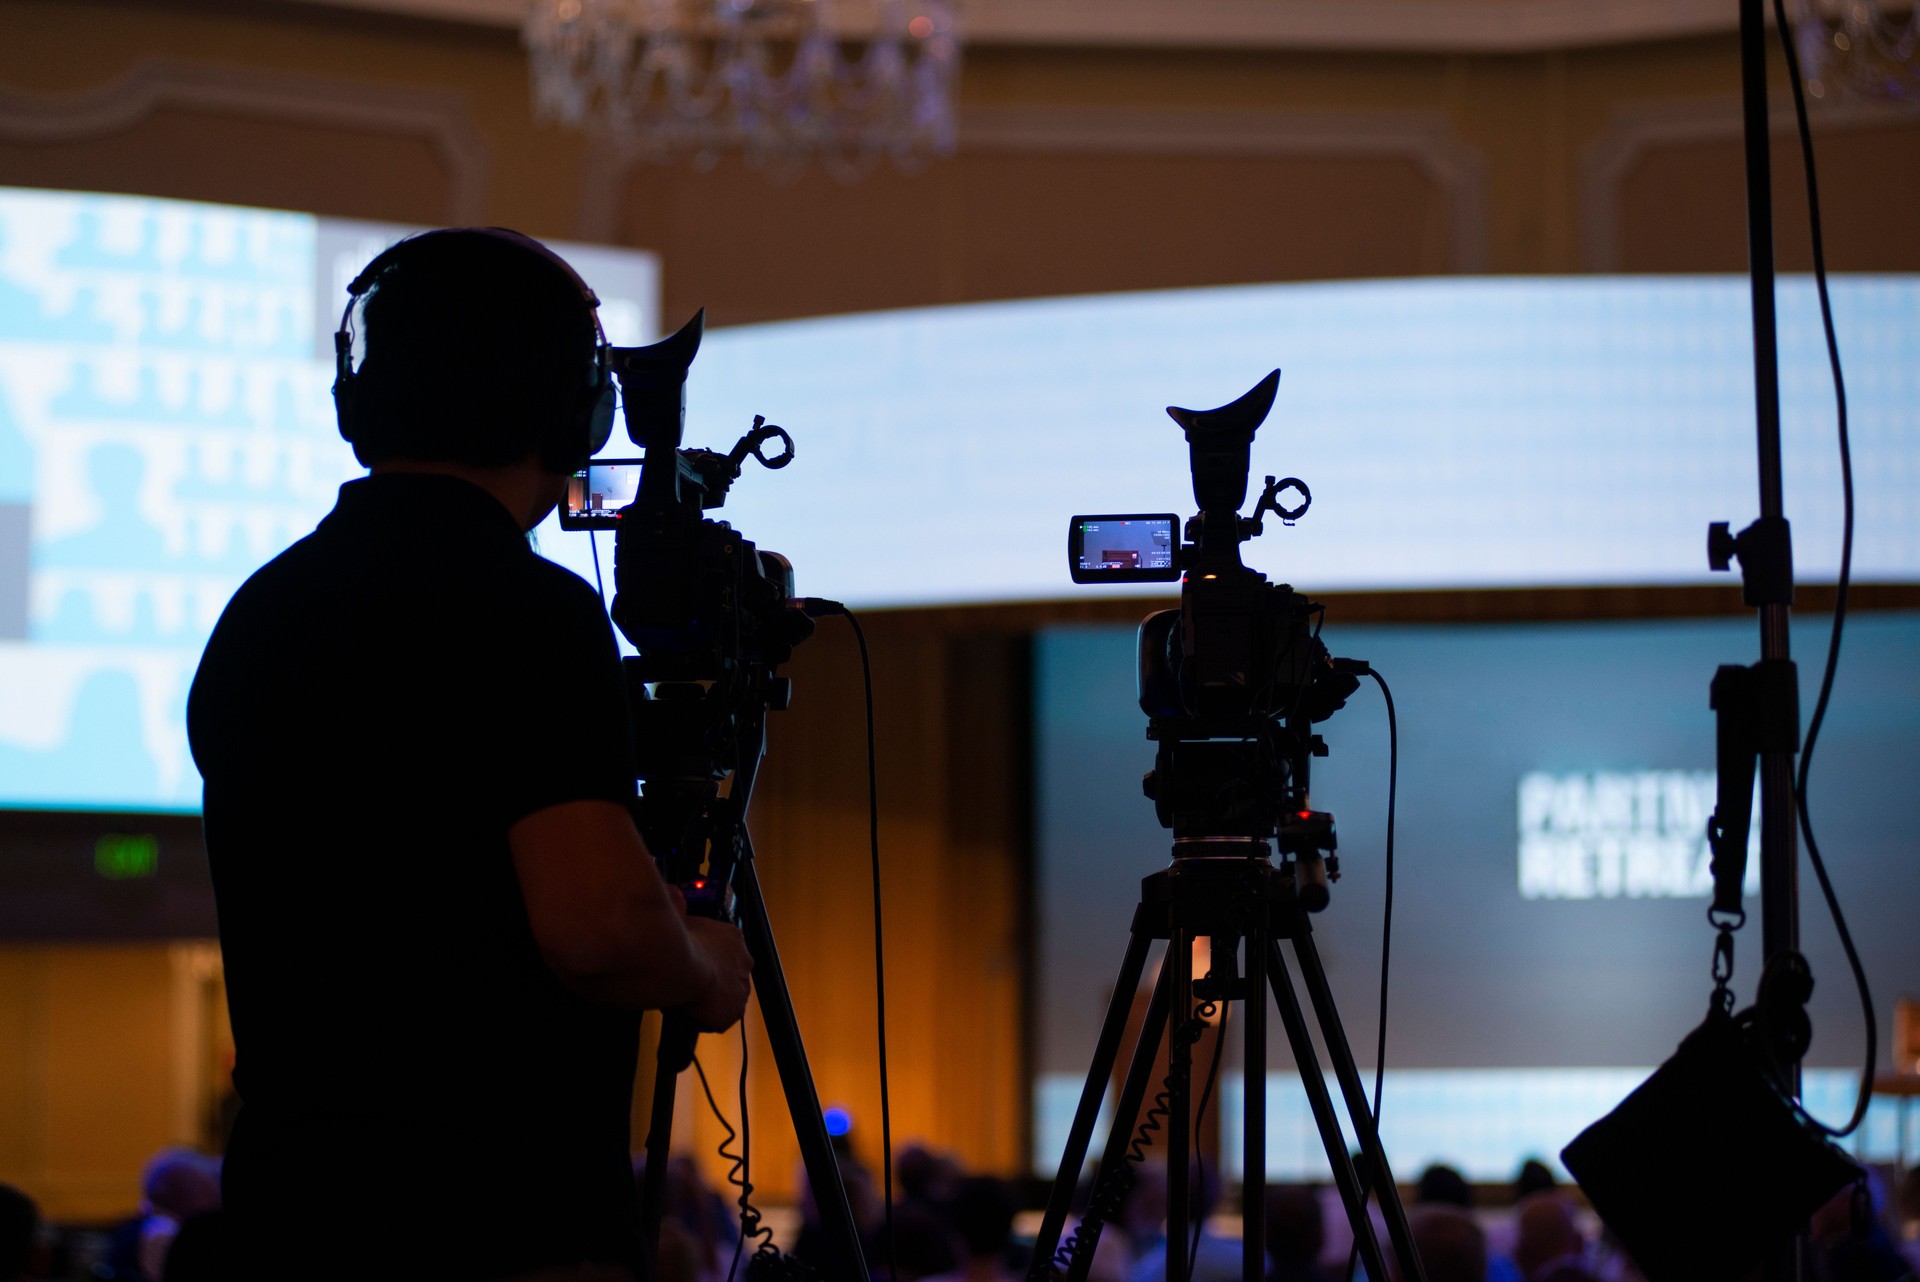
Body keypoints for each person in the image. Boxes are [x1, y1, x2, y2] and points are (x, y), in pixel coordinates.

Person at [188, 228, 753, 1280]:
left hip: (290, 1221)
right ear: (575, 410)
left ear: (358, 395)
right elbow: (598, 934)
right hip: (504, 1225)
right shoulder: (526, 612)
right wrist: (706, 970)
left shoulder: (260, 610)